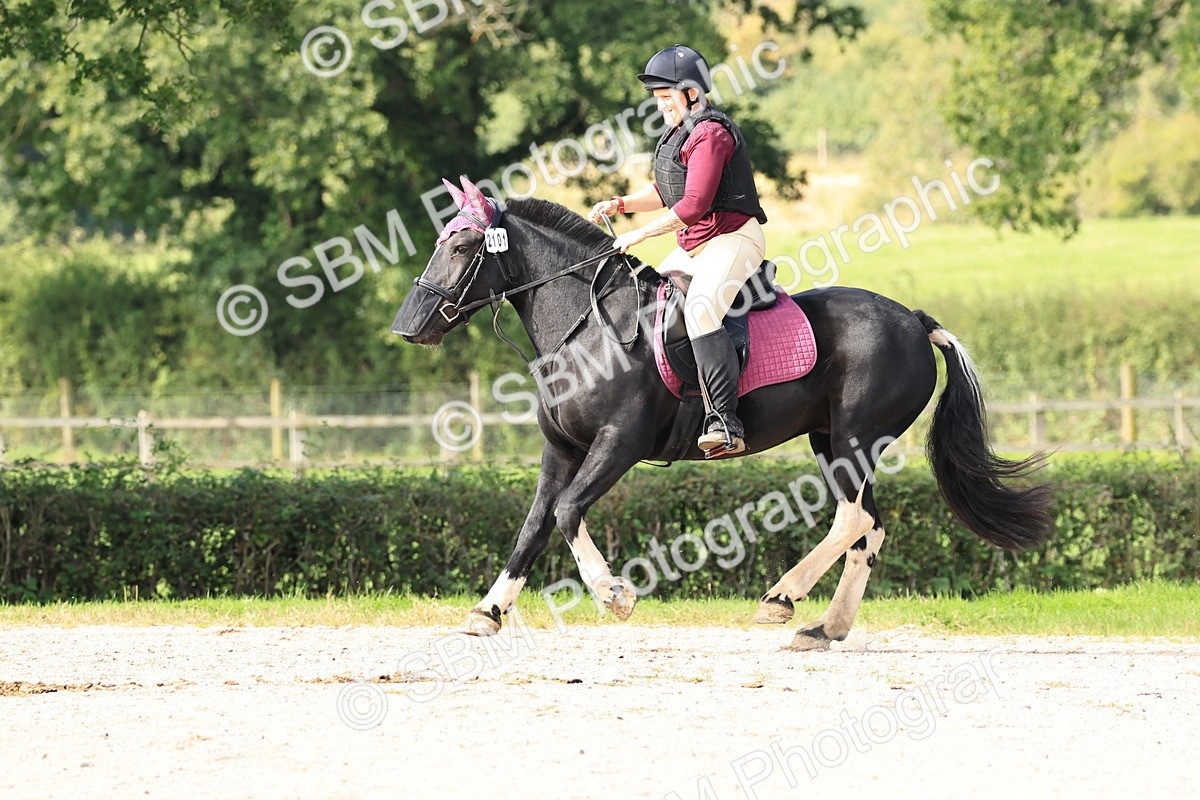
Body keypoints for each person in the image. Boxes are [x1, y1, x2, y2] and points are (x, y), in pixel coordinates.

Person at [588, 44, 768, 457]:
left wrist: (639, 235)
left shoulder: (712, 134)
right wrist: (619, 204)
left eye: (666, 97)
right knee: (651, 303)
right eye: (657, 99)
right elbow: (666, 191)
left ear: (691, 93)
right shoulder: (679, 133)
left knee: (702, 307)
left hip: (734, 238)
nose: (661, 106)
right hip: (697, 243)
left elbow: (693, 205)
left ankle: (724, 421)